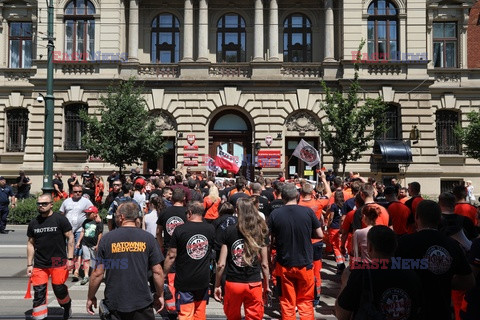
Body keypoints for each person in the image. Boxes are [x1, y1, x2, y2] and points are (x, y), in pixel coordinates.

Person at [396, 200, 475, 320]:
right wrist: (443, 278)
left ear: (417, 217)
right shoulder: (452, 244)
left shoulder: (402, 243)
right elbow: (468, 281)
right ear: (439, 219)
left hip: (411, 311)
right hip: (441, 310)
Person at [86, 202, 165, 320]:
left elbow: (98, 273)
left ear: (122, 217)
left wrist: (90, 297)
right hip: (141, 302)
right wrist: (160, 294)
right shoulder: (148, 238)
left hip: (115, 301)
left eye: (116, 215)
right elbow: (158, 271)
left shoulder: (107, 239)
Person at [335, 226, 423, 320]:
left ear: (369, 248)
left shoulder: (362, 274)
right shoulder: (411, 274)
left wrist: (345, 282)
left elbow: (342, 314)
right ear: (395, 246)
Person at [267, 183, 323, 320]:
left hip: (284, 264)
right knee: (305, 302)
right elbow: (320, 234)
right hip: (305, 264)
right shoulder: (308, 212)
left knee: (287, 302)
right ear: (297, 196)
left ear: (282, 197)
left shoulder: (275, 214)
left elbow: (268, 239)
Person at [214, 197, 270, 320]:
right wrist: (267, 285)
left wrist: (217, 284)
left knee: (232, 316)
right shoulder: (261, 231)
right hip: (253, 283)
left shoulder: (229, 231)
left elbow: (221, 264)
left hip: (234, 283)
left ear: (237, 211)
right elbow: (265, 264)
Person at [163, 201, 215, 320]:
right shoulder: (210, 229)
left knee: (186, 314)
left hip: (185, 280)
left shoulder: (180, 230)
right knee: (200, 313)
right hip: (203, 279)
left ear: (190, 213)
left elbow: (171, 255)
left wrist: (164, 274)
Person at [26, 193, 74, 320]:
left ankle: (67, 306)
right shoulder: (34, 223)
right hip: (40, 264)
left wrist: (70, 258)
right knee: (39, 292)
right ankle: (40, 317)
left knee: (59, 289)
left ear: (51, 204)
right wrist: (29, 264)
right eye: (39, 204)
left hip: (58, 261)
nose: (41, 206)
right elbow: (30, 244)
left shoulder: (60, 219)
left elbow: (70, 237)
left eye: (44, 203)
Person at [59, 184, 93, 280]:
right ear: (71, 192)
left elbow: (93, 212)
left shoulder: (86, 202)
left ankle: (76, 271)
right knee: (69, 248)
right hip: (67, 230)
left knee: (79, 250)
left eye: (80, 191)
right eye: (76, 191)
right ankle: (71, 265)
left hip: (80, 229)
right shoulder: (66, 202)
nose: (78, 193)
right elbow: (61, 214)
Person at [75, 206, 103, 286]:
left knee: (94, 259)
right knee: (86, 259)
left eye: (89, 213)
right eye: (86, 213)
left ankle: (95, 274)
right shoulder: (86, 221)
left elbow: (100, 234)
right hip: (85, 243)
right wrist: (79, 242)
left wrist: (98, 244)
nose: (87, 214)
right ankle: (86, 276)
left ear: (94, 214)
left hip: (94, 244)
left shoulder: (98, 222)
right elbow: (83, 232)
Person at [326, 190, 346, 274]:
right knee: (342, 245)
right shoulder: (345, 205)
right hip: (342, 227)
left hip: (334, 227)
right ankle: (342, 261)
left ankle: (340, 264)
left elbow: (331, 217)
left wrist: (328, 225)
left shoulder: (334, 206)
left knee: (335, 246)